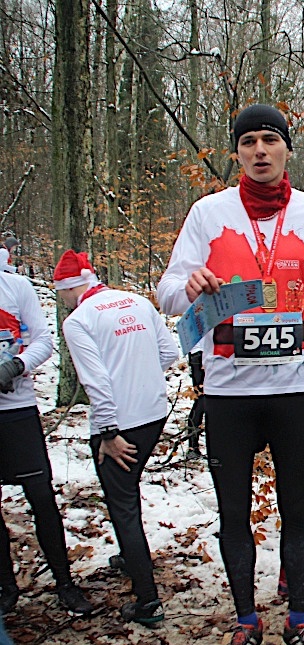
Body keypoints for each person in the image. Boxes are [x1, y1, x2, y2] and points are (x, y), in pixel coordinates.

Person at [157, 103, 304, 645]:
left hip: (292, 390)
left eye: (271, 139)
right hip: (229, 394)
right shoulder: (208, 214)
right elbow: (167, 294)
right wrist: (189, 285)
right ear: (237, 152)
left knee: (299, 510)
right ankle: (246, 621)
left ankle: (299, 619)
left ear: (287, 148)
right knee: (233, 514)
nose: (260, 150)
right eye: (248, 142)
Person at [55, 250, 178, 625]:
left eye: (60, 291)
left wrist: (108, 432)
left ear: (70, 288)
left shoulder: (78, 321)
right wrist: (140, 376)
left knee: (123, 506)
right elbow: (169, 352)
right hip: (153, 413)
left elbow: (95, 381)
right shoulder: (137, 302)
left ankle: (148, 602)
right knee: (128, 492)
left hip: (119, 424)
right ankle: (131, 557)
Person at [0, 264, 92, 617]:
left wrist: (16, 365)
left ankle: (65, 583)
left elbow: (43, 341)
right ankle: (6, 587)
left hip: (17, 409)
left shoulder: (14, 286)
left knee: (40, 496)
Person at [186, 349, 205, 458]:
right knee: (201, 400)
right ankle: (193, 447)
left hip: (204, 354)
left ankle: (193, 447)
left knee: (201, 401)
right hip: (200, 354)